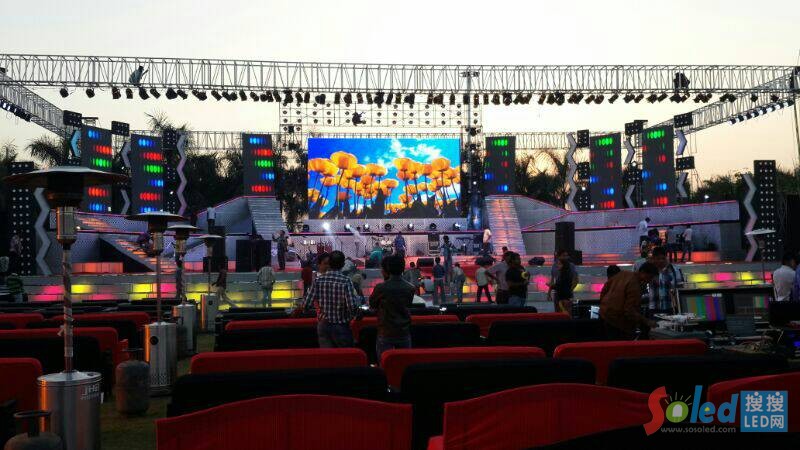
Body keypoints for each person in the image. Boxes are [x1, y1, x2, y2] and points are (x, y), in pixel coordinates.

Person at [294, 251, 360, 348]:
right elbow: (352, 306)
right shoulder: (346, 281)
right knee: (343, 355)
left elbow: (306, 304)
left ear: (330, 263)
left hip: (323, 326)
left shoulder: (318, 281)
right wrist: (357, 314)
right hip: (341, 326)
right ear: (343, 264)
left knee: (327, 355)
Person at [369, 254, 414, 360]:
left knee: (384, 362)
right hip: (403, 331)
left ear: (388, 268)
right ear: (403, 268)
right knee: (405, 362)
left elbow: (372, 304)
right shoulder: (410, 288)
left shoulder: (381, 288)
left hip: (386, 331)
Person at [600, 263, 660, 339]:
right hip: (618, 321)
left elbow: (605, 289)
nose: (649, 281)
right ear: (643, 272)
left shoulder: (623, 273)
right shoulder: (635, 285)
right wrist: (647, 321)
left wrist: (603, 305)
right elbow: (629, 310)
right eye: (650, 277)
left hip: (605, 314)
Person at [647, 246, 683, 316]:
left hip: (670, 308)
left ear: (666, 257)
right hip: (654, 308)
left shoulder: (674, 270)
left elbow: (679, 287)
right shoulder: (649, 269)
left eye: (663, 258)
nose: (661, 261)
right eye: (658, 258)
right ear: (653, 258)